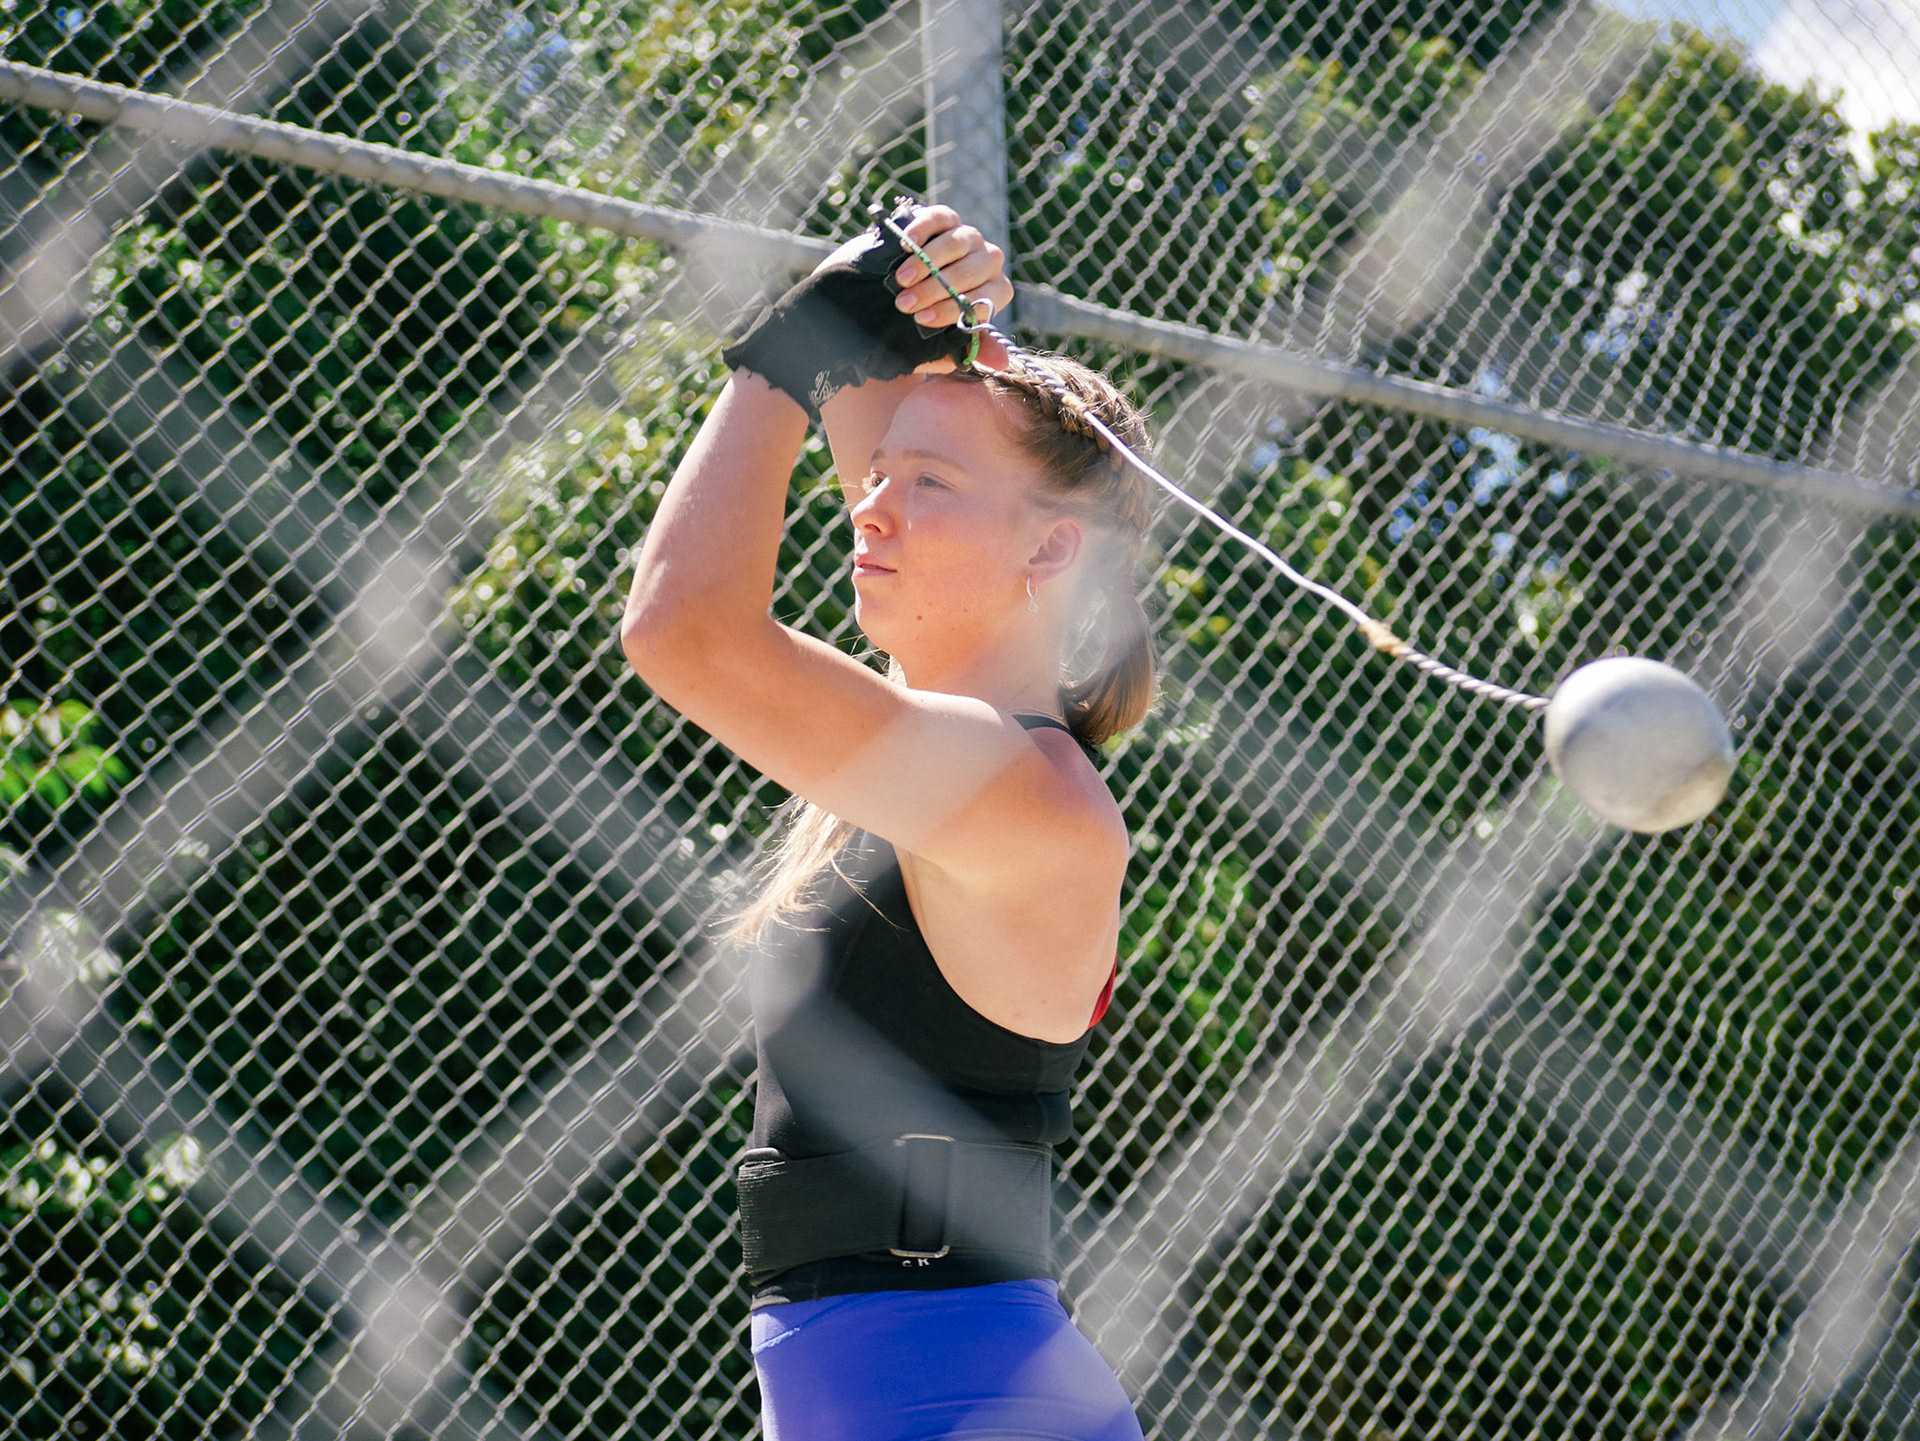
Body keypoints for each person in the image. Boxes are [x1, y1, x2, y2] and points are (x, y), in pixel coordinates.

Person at [620, 202, 1153, 1441]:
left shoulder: (1028, 796)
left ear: (1049, 551)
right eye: (878, 475)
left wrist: (783, 355)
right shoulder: (943, 753)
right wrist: (913, 282)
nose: (870, 506)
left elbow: (683, 628)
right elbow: (887, 401)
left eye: (930, 485)